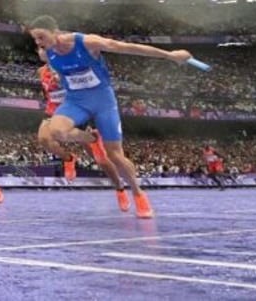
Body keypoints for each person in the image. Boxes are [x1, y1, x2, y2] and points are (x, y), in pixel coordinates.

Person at [27, 15, 194, 219]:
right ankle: (92, 138)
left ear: (56, 32)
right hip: (75, 101)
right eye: (35, 40)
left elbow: (127, 47)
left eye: (41, 37)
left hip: (103, 101)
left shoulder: (87, 42)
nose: (39, 44)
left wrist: (170, 55)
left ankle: (138, 194)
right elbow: (53, 71)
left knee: (115, 155)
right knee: (57, 131)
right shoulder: (48, 52)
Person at [36, 48, 130, 212]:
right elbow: (48, 93)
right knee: (44, 138)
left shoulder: (67, 65)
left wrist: (63, 80)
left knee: (102, 161)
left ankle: (120, 188)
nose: (43, 51)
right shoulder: (41, 71)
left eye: (45, 47)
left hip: (79, 110)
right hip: (57, 112)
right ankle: (69, 158)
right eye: (40, 48)